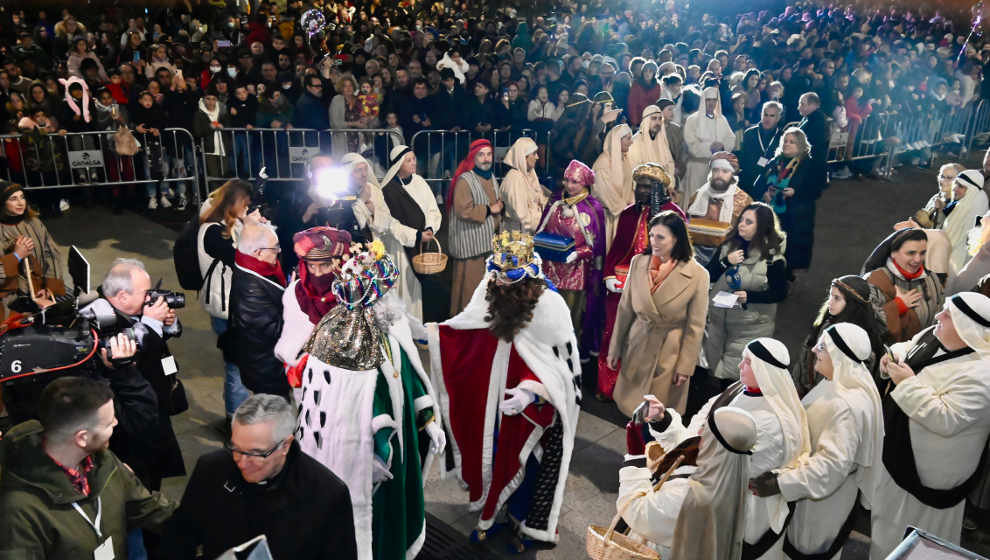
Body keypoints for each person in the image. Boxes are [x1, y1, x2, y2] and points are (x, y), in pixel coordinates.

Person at [426, 232, 581, 551]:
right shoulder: (489, 288)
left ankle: (522, 523)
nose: (498, 282)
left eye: (508, 276)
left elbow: (563, 369)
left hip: (534, 409)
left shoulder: (550, 305)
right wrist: (430, 332)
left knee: (529, 465)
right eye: (494, 272)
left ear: (527, 276)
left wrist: (532, 391)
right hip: (494, 399)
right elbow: (467, 328)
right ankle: (492, 515)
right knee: (494, 457)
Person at [297, 243, 444, 559]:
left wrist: (428, 418)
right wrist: (378, 452)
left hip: (399, 452)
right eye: (386, 293)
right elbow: (353, 406)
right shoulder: (342, 345)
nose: (392, 299)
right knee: (373, 529)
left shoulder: (392, 328)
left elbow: (409, 378)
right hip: (367, 462)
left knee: (396, 513)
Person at [647, 338, 811, 560]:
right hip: (706, 489)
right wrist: (663, 420)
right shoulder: (735, 391)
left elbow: (734, 467)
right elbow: (696, 436)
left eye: (747, 362)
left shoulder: (774, 420)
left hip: (738, 512)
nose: (740, 366)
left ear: (765, 370)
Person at [0, 376, 176, 559]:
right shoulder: (19, 511)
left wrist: (197, 518)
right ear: (82, 438)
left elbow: (147, 507)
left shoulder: (104, 461)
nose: (116, 423)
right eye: (109, 423)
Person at [164, 394, 358, 559]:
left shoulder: (327, 494)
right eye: (235, 448)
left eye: (255, 453)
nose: (241, 461)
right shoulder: (212, 468)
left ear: (285, 445)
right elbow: (180, 538)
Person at [749, 323, 884, 560]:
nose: (813, 351)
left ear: (839, 356)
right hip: (812, 492)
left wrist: (779, 483)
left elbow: (830, 468)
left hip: (820, 505)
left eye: (822, 347)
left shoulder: (846, 406)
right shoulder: (838, 382)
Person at [870, 292, 990, 558]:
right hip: (896, 458)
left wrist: (906, 383)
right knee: (884, 530)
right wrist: (892, 357)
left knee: (919, 545)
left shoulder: (983, 375)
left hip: (932, 480)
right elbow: (909, 347)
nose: (937, 316)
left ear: (966, 327)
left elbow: (946, 419)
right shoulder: (935, 334)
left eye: (947, 314)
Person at [84, 258, 186, 491]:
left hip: (157, 398)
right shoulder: (102, 323)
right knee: (144, 484)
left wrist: (165, 325)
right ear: (122, 297)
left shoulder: (124, 309)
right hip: (134, 429)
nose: (152, 297)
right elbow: (129, 346)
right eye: (146, 293)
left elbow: (154, 341)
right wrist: (150, 322)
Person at [618, 406, 758, 559]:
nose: (699, 432)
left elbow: (637, 511)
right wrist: (662, 421)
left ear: (714, 444)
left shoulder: (691, 494)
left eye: (706, 429)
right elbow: (689, 447)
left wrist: (635, 458)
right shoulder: (730, 475)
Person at [607, 211, 709, 416]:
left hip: (670, 351)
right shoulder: (638, 263)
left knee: (657, 416)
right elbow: (625, 310)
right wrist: (614, 348)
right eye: (651, 235)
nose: (653, 241)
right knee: (631, 411)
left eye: (660, 237)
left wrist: (685, 366)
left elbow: (695, 327)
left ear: (677, 238)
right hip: (638, 342)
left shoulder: (698, 275)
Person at [598, 163, 685, 401]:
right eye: (639, 186)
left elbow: (680, 258)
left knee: (645, 342)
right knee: (614, 333)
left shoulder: (674, 216)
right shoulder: (628, 214)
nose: (641, 191)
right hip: (622, 284)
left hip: (655, 288)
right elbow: (616, 249)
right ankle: (608, 386)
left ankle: (638, 392)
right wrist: (608, 275)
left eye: (647, 187)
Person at [704, 203, 788, 388]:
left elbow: (780, 293)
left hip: (751, 325)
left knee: (736, 376)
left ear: (761, 227)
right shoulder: (728, 247)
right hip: (720, 319)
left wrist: (750, 296)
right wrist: (726, 262)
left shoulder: (773, 260)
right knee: (715, 371)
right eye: (741, 219)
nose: (741, 224)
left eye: (748, 222)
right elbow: (708, 275)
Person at [198, 179, 257, 422]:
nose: (248, 207)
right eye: (245, 203)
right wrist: (252, 229)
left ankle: (235, 415)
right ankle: (236, 422)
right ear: (234, 202)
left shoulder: (224, 225)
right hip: (226, 308)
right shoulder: (212, 231)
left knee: (237, 365)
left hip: (232, 305)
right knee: (236, 367)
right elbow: (241, 259)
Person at [537, 159, 606, 358]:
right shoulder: (556, 201)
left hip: (576, 273)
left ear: (585, 183)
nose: (569, 185)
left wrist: (578, 253)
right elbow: (542, 229)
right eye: (566, 180)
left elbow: (597, 246)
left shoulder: (593, 207)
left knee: (569, 316)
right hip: (551, 268)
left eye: (574, 182)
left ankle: (567, 356)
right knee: (548, 313)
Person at [274, 227, 352, 381]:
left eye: (324, 265)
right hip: (308, 377)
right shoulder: (296, 294)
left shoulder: (355, 294)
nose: (317, 273)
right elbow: (291, 339)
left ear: (340, 263)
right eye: (311, 266)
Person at [379, 145, 444, 321]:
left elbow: (432, 209)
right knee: (407, 290)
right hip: (401, 249)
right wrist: (415, 235)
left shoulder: (420, 181)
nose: (413, 162)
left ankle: (424, 324)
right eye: (408, 160)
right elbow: (391, 224)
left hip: (424, 244)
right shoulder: (389, 190)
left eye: (414, 158)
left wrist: (430, 228)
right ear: (398, 165)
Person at [794, 275, 884, 395]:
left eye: (837, 298)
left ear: (852, 304)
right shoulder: (828, 322)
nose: (830, 301)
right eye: (830, 295)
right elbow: (806, 357)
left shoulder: (857, 344)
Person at [228, 222, 288, 397]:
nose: (279, 251)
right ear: (258, 253)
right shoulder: (251, 290)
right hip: (266, 370)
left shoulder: (251, 265)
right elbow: (275, 330)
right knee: (276, 416)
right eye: (274, 248)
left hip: (264, 362)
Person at [447, 139, 502, 315]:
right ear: (473, 157)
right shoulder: (465, 180)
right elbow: (463, 210)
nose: (486, 159)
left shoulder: (491, 176)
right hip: (470, 246)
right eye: (481, 155)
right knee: (468, 292)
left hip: (485, 244)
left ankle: (479, 327)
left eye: (489, 154)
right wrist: (489, 209)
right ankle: (464, 328)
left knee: (483, 290)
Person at [754, 127, 818, 274]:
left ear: (801, 146)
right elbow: (758, 182)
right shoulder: (774, 161)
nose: (787, 144)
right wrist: (764, 192)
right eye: (785, 141)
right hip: (771, 211)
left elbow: (814, 189)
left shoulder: (807, 164)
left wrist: (796, 192)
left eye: (792, 142)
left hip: (794, 215)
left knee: (789, 246)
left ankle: (786, 272)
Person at [863, 228, 945, 343]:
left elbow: (941, 312)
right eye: (911, 253)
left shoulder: (932, 279)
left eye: (922, 253)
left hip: (925, 350)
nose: (917, 259)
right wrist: (898, 306)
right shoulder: (876, 279)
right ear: (894, 254)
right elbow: (866, 322)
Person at [0, 181, 64, 305]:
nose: (20, 203)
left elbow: (51, 254)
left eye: (22, 197)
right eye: (13, 199)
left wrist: (49, 288)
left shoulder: (34, 223)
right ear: (2, 203)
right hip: (11, 300)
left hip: (41, 291)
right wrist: (17, 256)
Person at [682, 86, 735, 208]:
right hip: (697, 167)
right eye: (708, 100)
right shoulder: (693, 119)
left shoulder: (722, 120)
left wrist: (722, 146)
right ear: (703, 100)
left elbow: (730, 138)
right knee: (693, 200)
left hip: (716, 170)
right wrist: (710, 148)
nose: (711, 103)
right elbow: (691, 143)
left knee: (711, 203)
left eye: (714, 100)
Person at [591, 124, 634, 250]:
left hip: (623, 214)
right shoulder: (603, 163)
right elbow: (604, 192)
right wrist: (624, 210)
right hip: (608, 217)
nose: (631, 142)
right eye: (628, 138)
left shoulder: (624, 159)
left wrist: (631, 205)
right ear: (617, 141)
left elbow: (629, 186)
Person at [627, 103, 682, 195]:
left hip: (663, 191)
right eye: (654, 119)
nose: (658, 122)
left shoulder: (661, 141)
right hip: (643, 193)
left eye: (660, 119)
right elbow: (633, 171)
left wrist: (670, 185)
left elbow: (669, 164)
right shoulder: (635, 142)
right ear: (646, 121)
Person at [941, 170, 989, 274]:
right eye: (956, 184)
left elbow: (967, 248)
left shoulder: (977, 206)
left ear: (971, 190)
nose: (954, 188)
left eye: (961, 186)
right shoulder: (961, 203)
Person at [502, 136, 550, 234]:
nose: (537, 157)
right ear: (523, 156)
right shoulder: (514, 179)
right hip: (518, 236)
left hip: (533, 232)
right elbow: (522, 217)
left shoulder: (530, 174)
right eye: (534, 153)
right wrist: (545, 224)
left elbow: (540, 199)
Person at [739, 101, 783, 193]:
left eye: (772, 116)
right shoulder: (749, 133)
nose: (767, 118)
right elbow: (744, 159)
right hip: (748, 181)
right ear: (761, 115)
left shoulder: (782, 137)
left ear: (778, 118)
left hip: (769, 184)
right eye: (765, 114)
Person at [796, 92, 828, 194]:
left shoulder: (818, 121)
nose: (798, 107)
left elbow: (811, 142)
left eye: (802, 104)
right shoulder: (809, 117)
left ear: (813, 105)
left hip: (812, 167)